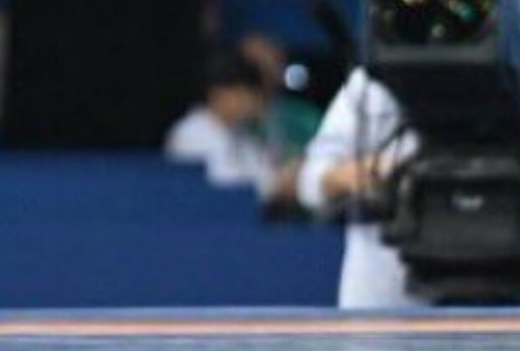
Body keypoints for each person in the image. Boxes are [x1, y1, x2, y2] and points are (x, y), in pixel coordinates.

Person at [297, 67, 418, 309]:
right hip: (383, 293)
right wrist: (376, 172)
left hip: (488, 281)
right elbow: (311, 182)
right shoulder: (374, 83)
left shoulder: (501, 72)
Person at [165, 50, 299, 201]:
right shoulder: (190, 132)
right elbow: (222, 185)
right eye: (242, 93)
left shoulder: (241, 133)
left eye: (251, 94)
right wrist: (276, 182)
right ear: (218, 93)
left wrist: (286, 175)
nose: (249, 101)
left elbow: (263, 172)